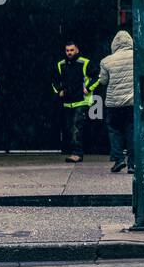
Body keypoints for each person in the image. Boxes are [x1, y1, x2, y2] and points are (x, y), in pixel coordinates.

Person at [51, 41, 97, 163]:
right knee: (71, 128)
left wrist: (89, 88)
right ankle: (76, 151)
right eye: (67, 50)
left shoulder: (85, 62)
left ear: (77, 50)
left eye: (71, 50)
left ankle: (77, 153)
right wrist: (59, 91)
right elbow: (54, 80)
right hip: (67, 102)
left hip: (81, 101)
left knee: (77, 127)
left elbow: (97, 76)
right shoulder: (61, 65)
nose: (69, 53)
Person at [98, 30, 135, 173]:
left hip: (114, 104)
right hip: (131, 102)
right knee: (131, 131)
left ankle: (119, 159)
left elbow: (103, 81)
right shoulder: (137, 58)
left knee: (114, 131)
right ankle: (132, 164)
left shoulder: (106, 61)